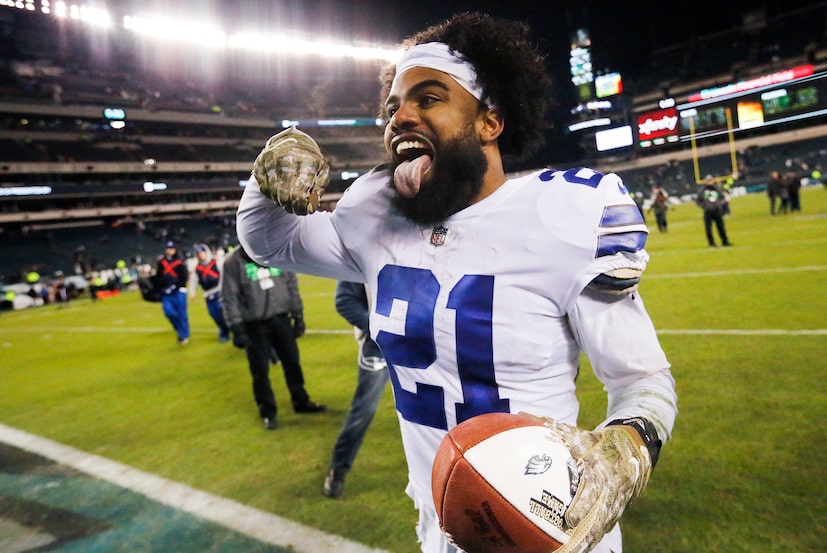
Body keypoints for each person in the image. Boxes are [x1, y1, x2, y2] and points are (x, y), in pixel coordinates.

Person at [238, 12, 677, 553]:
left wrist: (625, 451)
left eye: (428, 98)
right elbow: (271, 243)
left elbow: (641, 379)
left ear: (489, 123)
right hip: (440, 524)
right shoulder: (376, 216)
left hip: (547, 523)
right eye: (393, 106)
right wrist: (269, 178)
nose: (401, 116)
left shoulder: (561, 216)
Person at [221, 245, 326, 430]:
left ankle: (301, 400)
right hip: (255, 324)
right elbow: (230, 296)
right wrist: (236, 327)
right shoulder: (233, 261)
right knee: (260, 370)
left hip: (281, 318)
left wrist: (298, 315)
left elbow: (291, 283)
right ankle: (268, 412)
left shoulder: (275, 252)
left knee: (292, 362)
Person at [323, 280, 390, 499]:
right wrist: (377, 328)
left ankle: (446, 472)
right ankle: (338, 469)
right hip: (378, 347)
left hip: (417, 345)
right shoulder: (367, 249)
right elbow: (344, 300)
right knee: (363, 411)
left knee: (431, 410)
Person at [188, 243, 231, 342]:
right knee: (214, 314)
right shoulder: (197, 268)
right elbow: (193, 281)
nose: (201, 255)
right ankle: (224, 329)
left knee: (224, 312)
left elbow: (225, 274)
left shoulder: (216, 262)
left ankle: (228, 331)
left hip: (219, 290)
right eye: (199, 253)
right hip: (208, 293)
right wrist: (192, 293)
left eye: (203, 252)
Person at [155, 240, 190, 344]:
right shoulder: (162, 262)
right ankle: (178, 327)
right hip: (166, 292)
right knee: (168, 312)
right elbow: (158, 276)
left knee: (182, 314)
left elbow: (184, 277)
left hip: (179, 291)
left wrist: (176, 286)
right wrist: (160, 288)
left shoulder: (180, 261)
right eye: (168, 249)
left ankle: (184, 336)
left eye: (172, 249)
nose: (170, 251)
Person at [696, 180, 732, 247]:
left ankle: (725, 241)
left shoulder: (716, 188)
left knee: (721, 227)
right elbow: (698, 201)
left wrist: (719, 205)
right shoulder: (702, 190)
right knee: (708, 228)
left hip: (717, 210)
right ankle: (711, 243)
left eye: (711, 180)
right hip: (708, 211)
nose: (710, 182)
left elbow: (722, 197)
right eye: (708, 181)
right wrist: (704, 207)